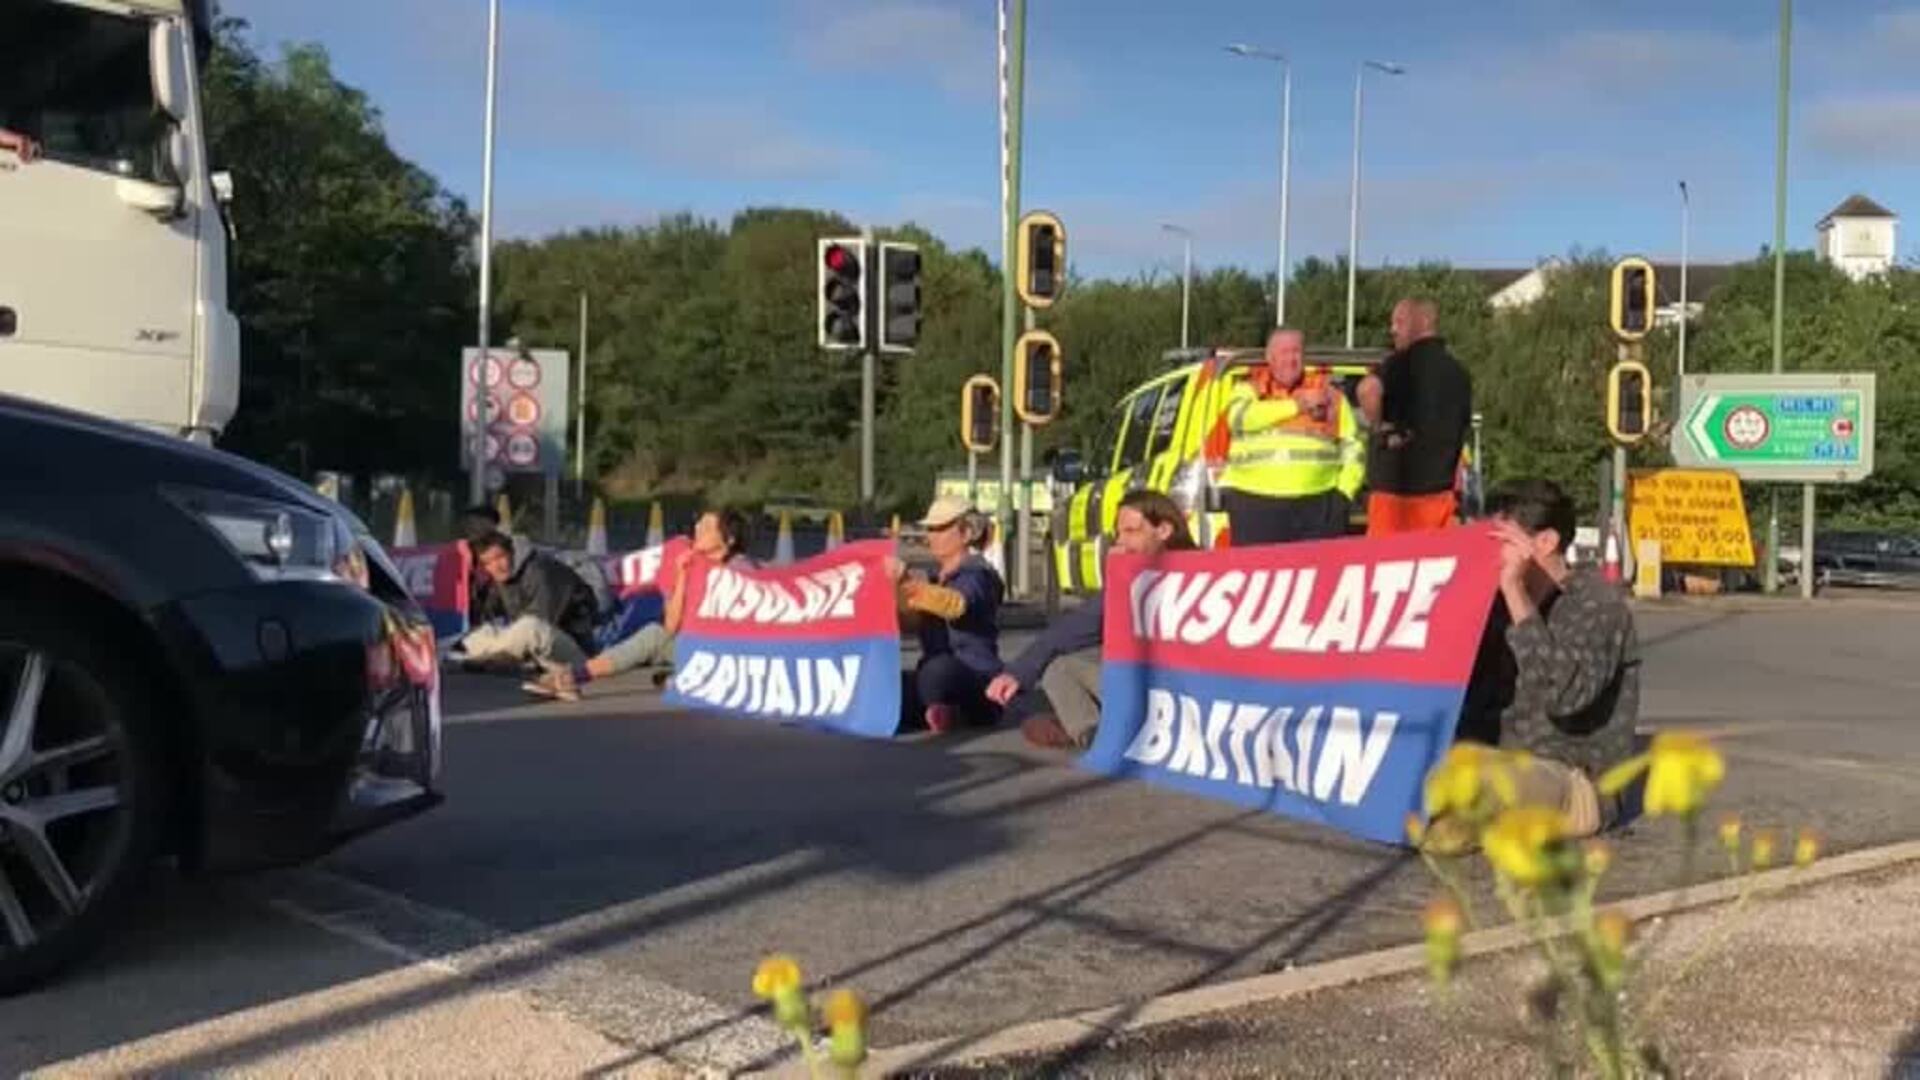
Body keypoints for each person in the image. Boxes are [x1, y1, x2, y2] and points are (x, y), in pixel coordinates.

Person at [1455, 479, 1639, 839]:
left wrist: (1515, 590)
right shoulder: (1493, 606)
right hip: (1495, 756)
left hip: (1575, 779)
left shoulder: (1598, 605)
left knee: (1469, 788)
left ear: (1545, 542)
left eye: (1502, 540)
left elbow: (1565, 695)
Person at [987, 490, 1196, 750]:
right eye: (1118, 533)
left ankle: (1102, 729)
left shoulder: (1205, 572)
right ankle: (1093, 735)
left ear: (1164, 530)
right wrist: (1017, 673)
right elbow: (1077, 628)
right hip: (1141, 683)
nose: (1121, 542)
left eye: (1132, 531)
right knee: (1059, 667)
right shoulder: (1133, 572)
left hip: (1183, 689)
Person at [524, 509, 753, 702]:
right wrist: (683, 575)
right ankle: (573, 677)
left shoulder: (742, 569)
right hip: (697, 647)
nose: (698, 529)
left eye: (707, 527)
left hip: (733, 653)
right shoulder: (686, 560)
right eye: (699, 523)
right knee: (654, 634)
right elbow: (671, 626)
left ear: (729, 539)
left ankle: (701, 677)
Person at [1204, 328, 1365, 545]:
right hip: (1254, 505)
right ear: (1269, 357)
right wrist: (1297, 406)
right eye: (1283, 352)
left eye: (1296, 352)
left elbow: (1354, 449)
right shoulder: (1248, 391)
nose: (1291, 359)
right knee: (1259, 567)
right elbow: (1239, 419)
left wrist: (1344, 494)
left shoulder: (1330, 396)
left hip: (1319, 506)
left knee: (1316, 567)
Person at [887, 496, 1005, 734]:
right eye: (930, 529)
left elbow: (955, 605)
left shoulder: (978, 575)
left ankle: (948, 711)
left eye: (940, 528)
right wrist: (893, 590)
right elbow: (911, 623)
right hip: (934, 675)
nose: (931, 536)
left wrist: (908, 583)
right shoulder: (934, 579)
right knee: (891, 686)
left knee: (938, 670)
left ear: (966, 533)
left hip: (978, 679)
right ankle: (937, 710)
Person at [1357, 298, 1473, 537]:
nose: (1393, 330)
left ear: (1424, 321)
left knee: (1387, 558)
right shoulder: (1459, 373)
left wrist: (1378, 427)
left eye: (1400, 322)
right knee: (1432, 557)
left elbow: (1368, 389)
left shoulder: (1398, 364)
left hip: (1395, 499)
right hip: (1440, 495)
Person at [459, 531, 601, 669]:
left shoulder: (540, 571)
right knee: (480, 632)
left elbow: (542, 623)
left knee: (529, 627)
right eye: (487, 563)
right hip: (536, 652)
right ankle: (490, 656)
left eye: (499, 557)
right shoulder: (502, 578)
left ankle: (488, 656)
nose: (496, 566)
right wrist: (475, 585)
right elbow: (486, 613)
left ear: (511, 552)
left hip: (574, 652)